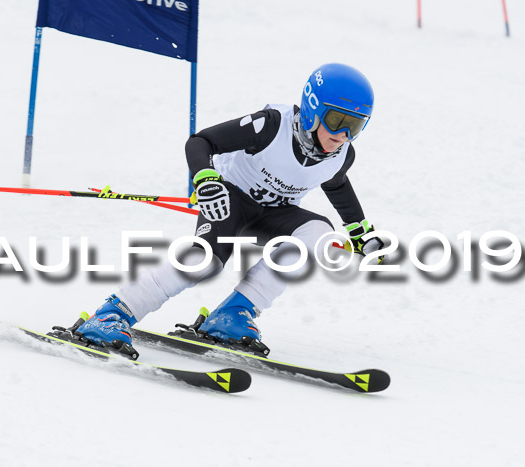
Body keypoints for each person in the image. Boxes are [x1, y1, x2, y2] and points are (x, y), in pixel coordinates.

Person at [75, 63, 384, 351]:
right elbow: (201, 142)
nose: (343, 135)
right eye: (337, 121)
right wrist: (206, 180)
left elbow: (336, 183)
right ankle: (112, 315)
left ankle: (233, 314)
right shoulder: (271, 126)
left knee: (319, 233)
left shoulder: (341, 155)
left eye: (354, 126)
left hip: (274, 213)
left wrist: (359, 231)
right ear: (312, 110)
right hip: (229, 199)